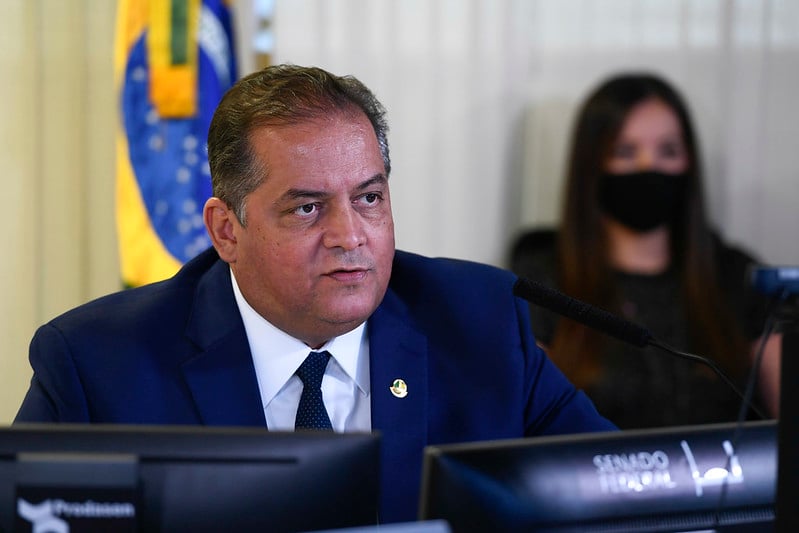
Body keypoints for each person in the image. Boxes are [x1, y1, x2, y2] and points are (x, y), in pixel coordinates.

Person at [15, 64, 616, 523]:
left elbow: (617, 491)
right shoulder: (98, 365)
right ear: (227, 229)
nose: (350, 236)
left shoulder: (478, 320)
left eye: (369, 198)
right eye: (307, 207)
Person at [509, 72, 780, 430]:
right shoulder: (541, 280)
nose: (647, 167)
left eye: (668, 150)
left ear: (689, 164)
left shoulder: (739, 277)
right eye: (625, 151)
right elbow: (522, 425)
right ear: (591, 165)